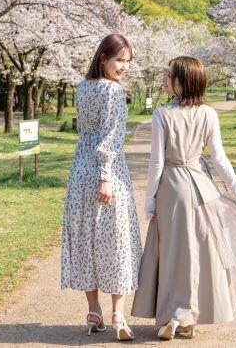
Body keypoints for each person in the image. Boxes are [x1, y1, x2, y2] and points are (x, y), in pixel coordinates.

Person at [131, 56, 236, 340]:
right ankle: (188, 317)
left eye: (170, 75)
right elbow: (219, 158)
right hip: (202, 189)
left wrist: (150, 200)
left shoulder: (162, 115)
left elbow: (156, 163)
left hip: (172, 189)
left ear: (183, 82)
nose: (164, 79)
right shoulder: (208, 114)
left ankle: (172, 315)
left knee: (171, 254)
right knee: (197, 254)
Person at [61, 34, 141, 342]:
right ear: (103, 58)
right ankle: (117, 314)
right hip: (107, 172)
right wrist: (106, 175)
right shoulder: (113, 91)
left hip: (80, 168)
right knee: (116, 238)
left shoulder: (83, 87)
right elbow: (113, 135)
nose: (123, 67)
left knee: (86, 238)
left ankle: (93, 310)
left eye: (127, 62)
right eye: (119, 60)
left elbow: (88, 132)